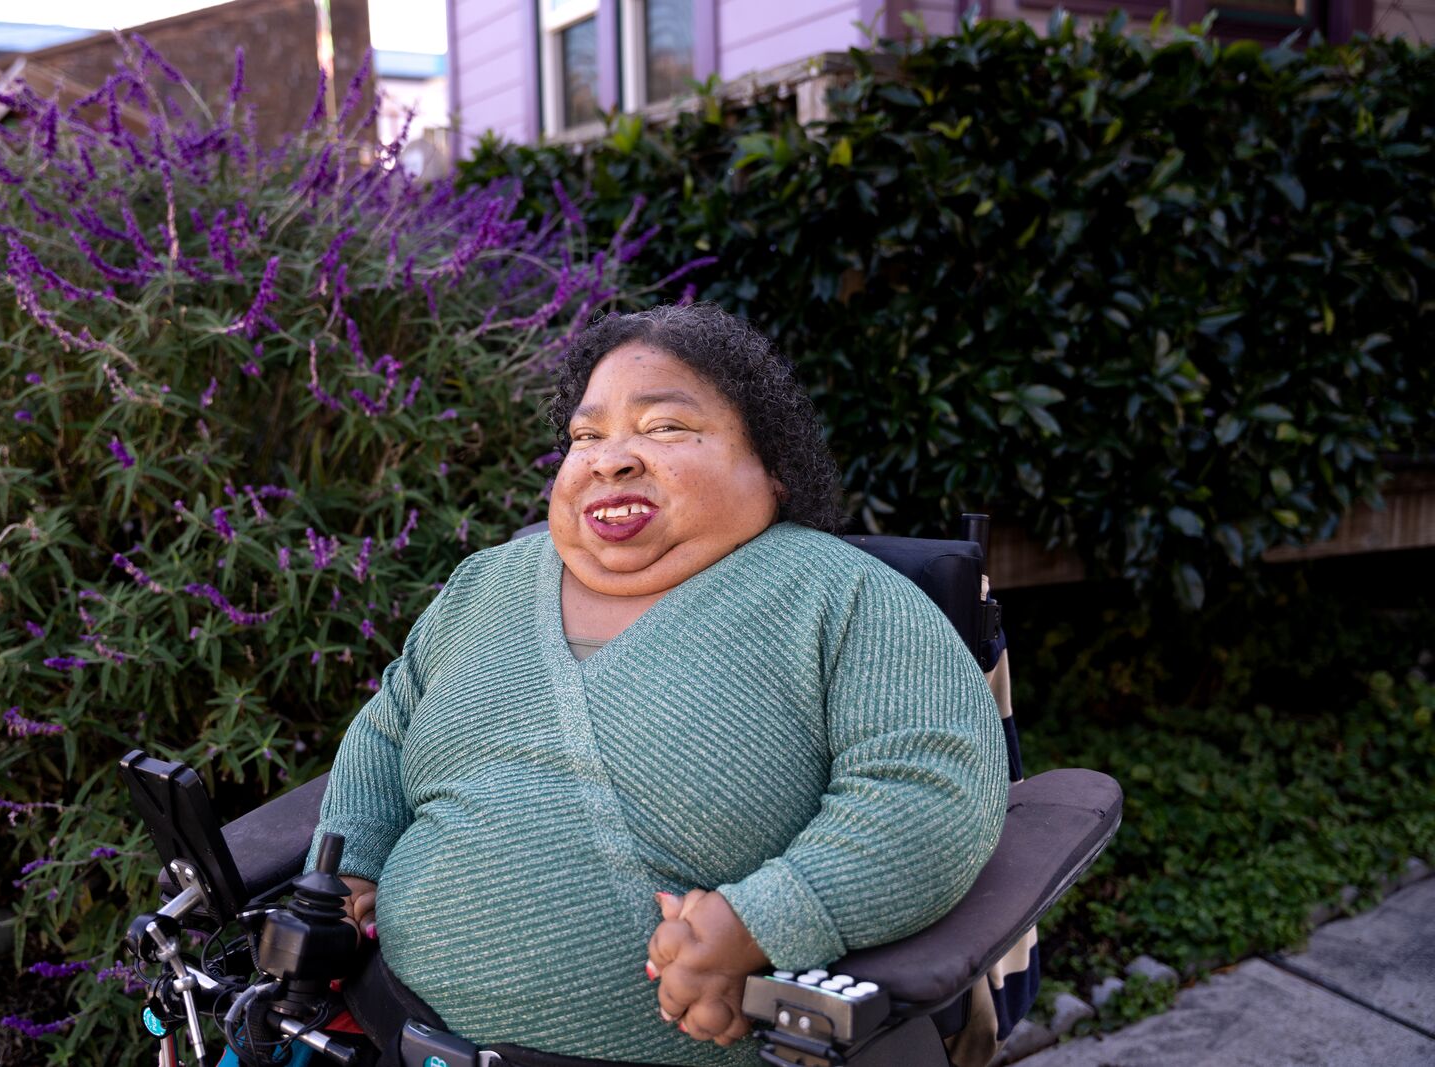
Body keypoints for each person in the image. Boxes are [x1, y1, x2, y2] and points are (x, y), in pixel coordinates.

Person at [308, 303, 1008, 1066]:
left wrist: (764, 921)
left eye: (665, 427)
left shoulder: (844, 597)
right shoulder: (486, 586)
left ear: (770, 469)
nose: (611, 459)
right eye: (586, 435)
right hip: (399, 1033)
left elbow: (929, 787)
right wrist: (350, 862)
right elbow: (386, 730)